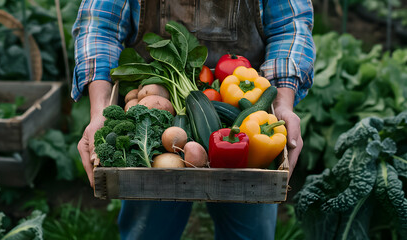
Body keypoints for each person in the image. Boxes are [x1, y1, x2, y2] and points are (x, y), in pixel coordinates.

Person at [72, 0, 315, 239]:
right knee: (149, 229)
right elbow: (100, 24)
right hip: (158, 107)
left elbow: (289, 25)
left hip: (247, 107)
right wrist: (100, 110)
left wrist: (282, 102)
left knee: (249, 226)